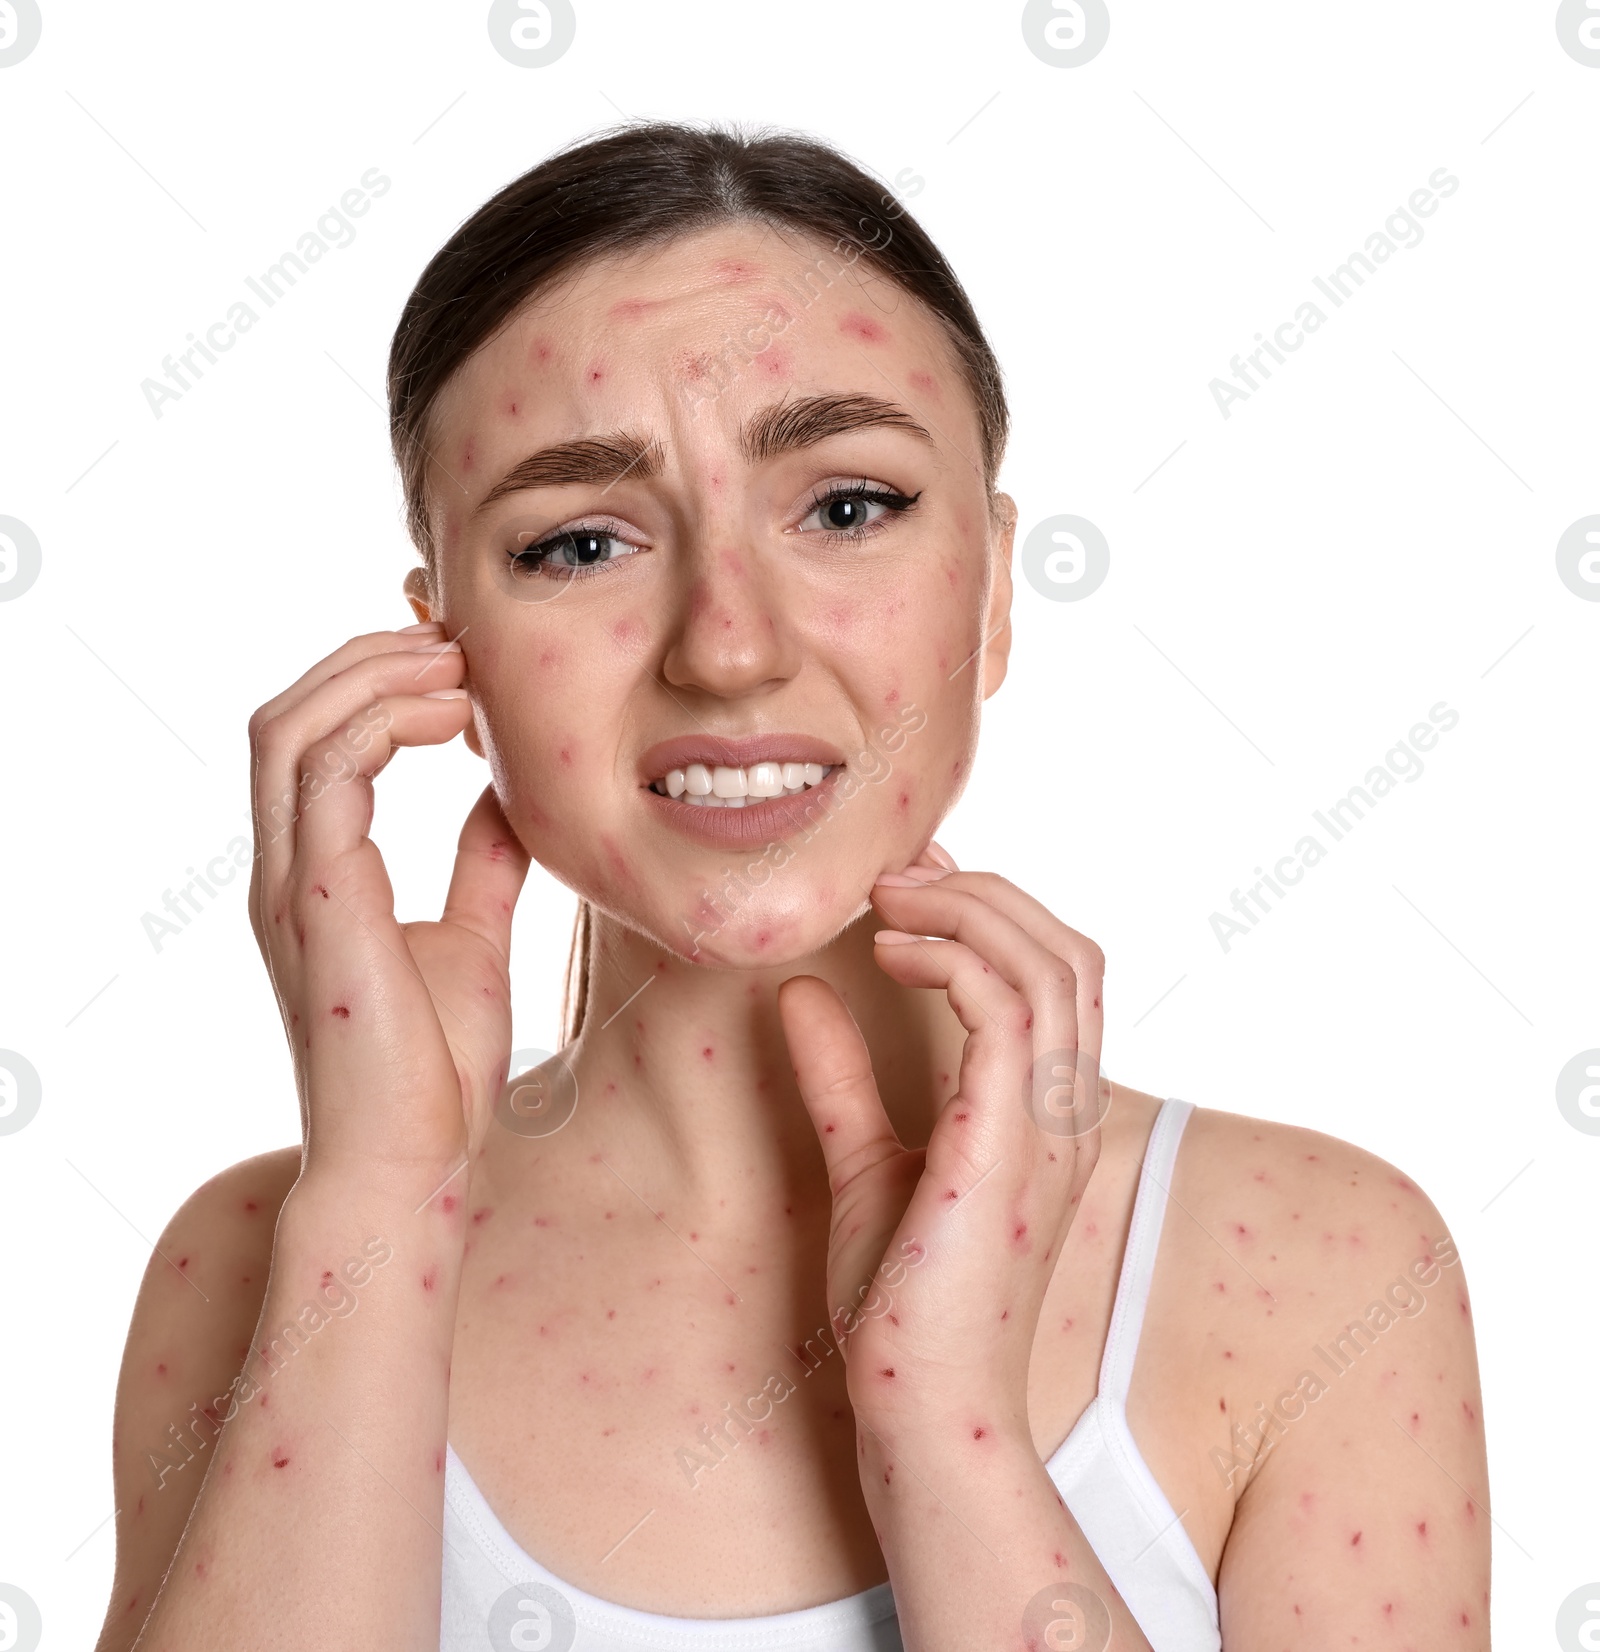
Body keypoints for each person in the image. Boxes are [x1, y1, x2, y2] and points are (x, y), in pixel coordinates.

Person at [95, 124, 1490, 1652]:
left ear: (998, 584)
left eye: (846, 507)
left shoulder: (1318, 1269)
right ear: (446, 657)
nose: (729, 645)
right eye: (579, 542)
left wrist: (948, 1432)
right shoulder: (252, 1264)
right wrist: (376, 1204)